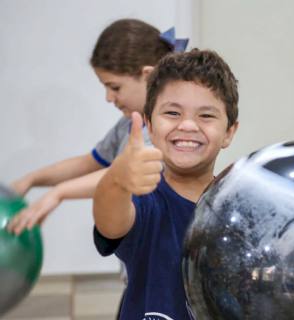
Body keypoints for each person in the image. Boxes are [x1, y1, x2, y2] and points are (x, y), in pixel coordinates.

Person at [93, 49, 239, 319]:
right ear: (149, 124)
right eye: (172, 112)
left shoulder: (240, 207)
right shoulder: (146, 201)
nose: (187, 125)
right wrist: (117, 180)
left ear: (229, 131)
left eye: (206, 116)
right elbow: (109, 222)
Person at [7, 19, 186, 235]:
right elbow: (89, 163)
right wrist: (32, 179)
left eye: (114, 87)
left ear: (148, 76)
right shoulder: (127, 124)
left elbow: (122, 173)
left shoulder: (168, 130)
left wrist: (59, 193)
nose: (108, 97)